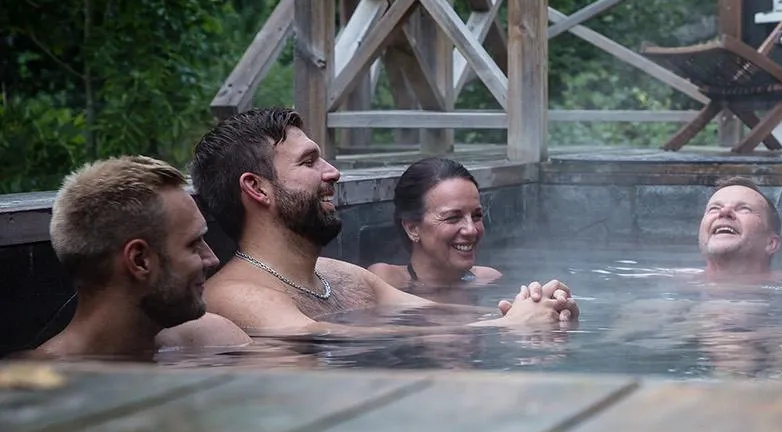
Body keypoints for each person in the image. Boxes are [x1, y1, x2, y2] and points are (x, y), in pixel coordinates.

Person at [191, 107, 575, 337]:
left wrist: (537, 307)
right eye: (309, 162)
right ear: (257, 188)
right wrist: (507, 330)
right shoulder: (234, 295)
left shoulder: (341, 276)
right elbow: (335, 339)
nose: (333, 173)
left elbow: (447, 316)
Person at [31, 156, 250, 361]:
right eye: (194, 245)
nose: (212, 260)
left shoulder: (213, 340)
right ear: (140, 260)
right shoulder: (35, 388)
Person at [370, 157, 503, 301]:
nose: (471, 230)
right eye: (453, 217)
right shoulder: (385, 281)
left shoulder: (489, 280)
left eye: (476, 216)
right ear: (413, 228)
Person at [698, 176, 782, 281]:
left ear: (770, 243)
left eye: (744, 209)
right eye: (714, 208)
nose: (724, 212)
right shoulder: (673, 282)